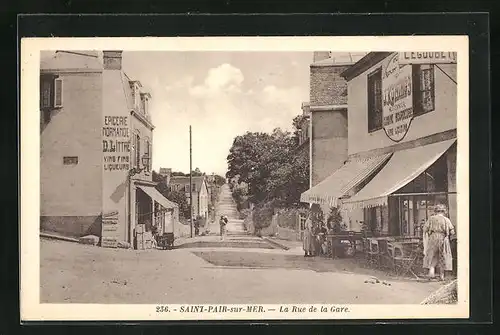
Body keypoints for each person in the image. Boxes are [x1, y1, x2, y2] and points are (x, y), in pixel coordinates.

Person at [423, 204, 455, 281]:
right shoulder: (446, 220)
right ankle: (442, 276)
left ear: (435, 211)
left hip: (433, 238)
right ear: (444, 211)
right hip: (443, 238)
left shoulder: (431, 219)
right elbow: (452, 231)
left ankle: (431, 272)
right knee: (443, 256)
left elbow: (425, 229)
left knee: (432, 255)